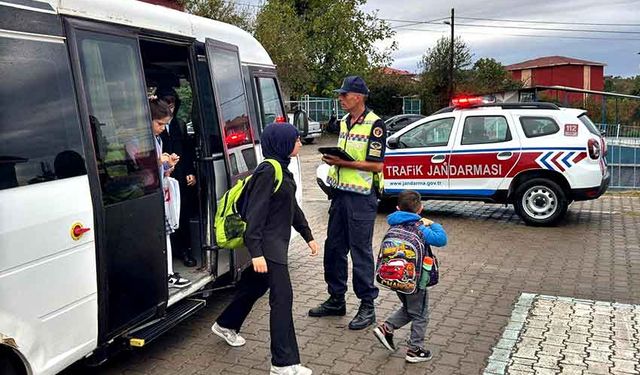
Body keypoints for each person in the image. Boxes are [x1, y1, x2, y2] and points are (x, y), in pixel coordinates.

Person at [211, 123, 319, 375]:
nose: (300, 143)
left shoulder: (282, 169)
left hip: (275, 244)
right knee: (282, 301)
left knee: (253, 286)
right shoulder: (268, 171)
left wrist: (308, 236)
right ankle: (282, 364)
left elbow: (292, 207)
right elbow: (254, 215)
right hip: (269, 248)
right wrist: (257, 252)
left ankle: (226, 324)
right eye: (296, 139)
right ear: (282, 143)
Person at [308, 76, 386, 330]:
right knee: (334, 248)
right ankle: (336, 299)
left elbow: (377, 165)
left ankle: (367, 306)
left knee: (360, 251)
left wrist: (343, 163)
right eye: (340, 95)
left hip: (361, 197)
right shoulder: (344, 122)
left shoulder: (375, 125)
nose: (340, 99)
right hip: (340, 194)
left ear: (359, 97)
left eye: (344, 95)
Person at [373, 190, 447, 363]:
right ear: (420, 209)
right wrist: (431, 223)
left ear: (398, 208)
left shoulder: (394, 226)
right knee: (420, 314)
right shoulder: (421, 229)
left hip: (395, 279)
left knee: (410, 308)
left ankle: (387, 328)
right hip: (416, 281)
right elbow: (442, 239)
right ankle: (415, 349)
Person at [149, 98, 191, 289]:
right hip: (150, 193)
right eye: (159, 124)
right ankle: (166, 274)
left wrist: (168, 165)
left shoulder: (157, 139)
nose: (162, 129)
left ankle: (168, 273)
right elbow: (143, 166)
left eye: (165, 125)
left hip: (159, 191)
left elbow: (159, 168)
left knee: (166, 234)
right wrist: (161, 162)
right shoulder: (142, 141)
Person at [157, 87, 198, 267]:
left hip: (179, 175)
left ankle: (185, 251)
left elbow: (187, 151)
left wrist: (190, 171)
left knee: (182, 214)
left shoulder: (179, 124)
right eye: (166, 101)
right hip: (163, 175)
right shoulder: (155, 127)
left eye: (172, 101)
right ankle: (169, 252)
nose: (170, 105)